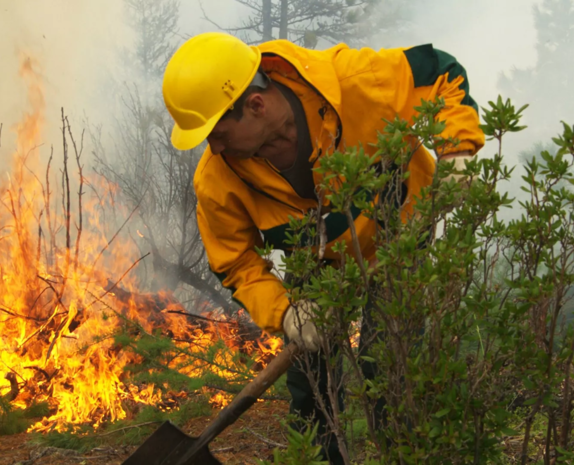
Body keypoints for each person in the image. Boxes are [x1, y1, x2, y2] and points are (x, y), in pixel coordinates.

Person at [160, 32, 484, 463]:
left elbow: (440, 72)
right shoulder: (218, 180)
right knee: (311, 383)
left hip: (398, 234)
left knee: (386, 366)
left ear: (255, 105)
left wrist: (458, 150)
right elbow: (234, 261)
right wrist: (286, 312)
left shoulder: (354, 82)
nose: (213, 148)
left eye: (216, 132)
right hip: (318, 257)